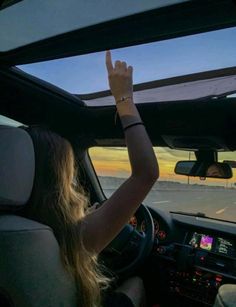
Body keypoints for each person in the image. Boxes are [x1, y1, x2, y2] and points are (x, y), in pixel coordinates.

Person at [22, 51, 159, 307]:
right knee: (136, 284)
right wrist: (124, 98)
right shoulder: (74, 238)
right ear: (58, 180)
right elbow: (146, 173)